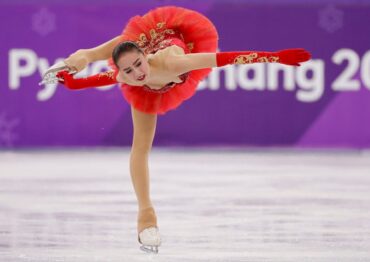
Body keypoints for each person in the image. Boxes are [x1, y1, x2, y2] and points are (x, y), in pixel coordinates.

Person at [42, 6, 311, 253]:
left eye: (139, 64)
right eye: (129, 71)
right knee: (140, 146)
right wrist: (72, 82)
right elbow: (100, 77)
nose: (137, 73)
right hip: (145, 73)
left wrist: (276, 57)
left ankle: (86, 55)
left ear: (145, 57)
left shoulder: (173, 63)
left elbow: (227, 58)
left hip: (172, 40)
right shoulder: (127, 76)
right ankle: (146, 216)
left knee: (131, 41)